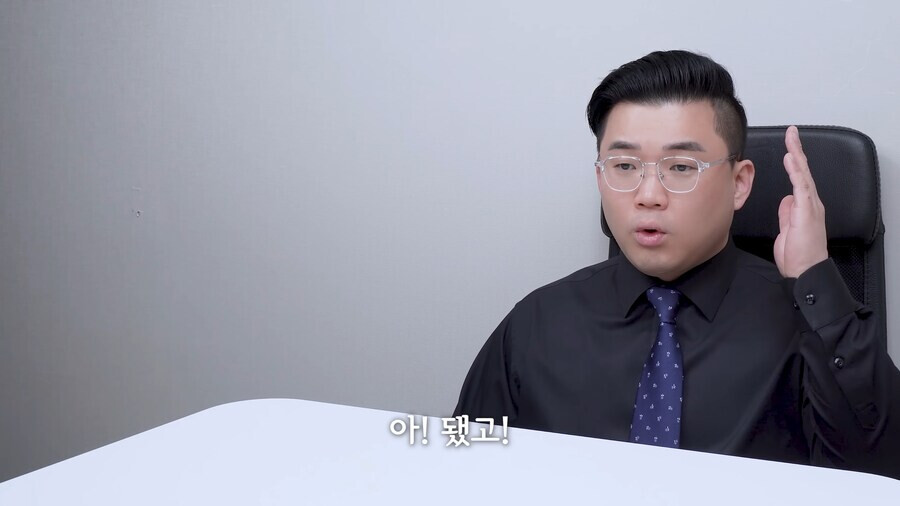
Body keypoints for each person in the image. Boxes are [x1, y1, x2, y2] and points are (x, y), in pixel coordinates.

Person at [453, 50, 900, 479]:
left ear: (739, 184)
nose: (648, 195)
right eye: (624, 165)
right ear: (600, 177)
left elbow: (879, 471)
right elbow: (463, 470)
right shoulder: (537, 323)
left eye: (681, 167)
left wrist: (814, 277)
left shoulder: (806, 326)